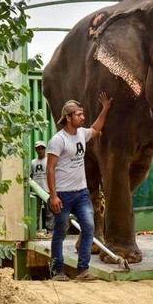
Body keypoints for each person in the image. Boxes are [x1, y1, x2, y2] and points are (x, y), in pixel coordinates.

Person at [46, 93, 112, 282]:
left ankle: (83, 270)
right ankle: (57, 272)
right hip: (63, 195)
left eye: (82, 114)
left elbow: (96, 128)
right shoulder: (58, 140)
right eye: (78, 114)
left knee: (89, 227)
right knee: (59, 233)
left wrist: (105, 108)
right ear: (68, 117)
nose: (82, 117)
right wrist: (53, 196)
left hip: (81, 193)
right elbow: (50, 169)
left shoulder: (82, 134)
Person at [30, 140, 54, 233]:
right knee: (35, 212)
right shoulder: (33, 162)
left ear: (45, 149)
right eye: (38, 149)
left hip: (47, 190)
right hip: (36, 191)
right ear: (36, 150)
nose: (40, 151)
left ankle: (50, 231)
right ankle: (33, 231)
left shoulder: (48, 160)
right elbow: (31, 176)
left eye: (42, 148)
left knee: (49, 212)